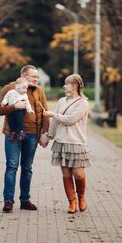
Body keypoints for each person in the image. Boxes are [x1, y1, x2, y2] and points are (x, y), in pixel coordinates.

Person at [0, 65, 49, 212]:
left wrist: (45, 133)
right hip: (13, 134)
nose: (36, 79)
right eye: (34, 76)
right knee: (12, 166)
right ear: (24, 76)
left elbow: (46, 113)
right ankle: (8, 202)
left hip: (32, 135)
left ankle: (25, 200)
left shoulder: (39, 91)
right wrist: (14, 106)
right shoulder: (9, 88)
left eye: (37, 77)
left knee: (27, 168)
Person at [43, 74, 90, 214]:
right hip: (61, 142)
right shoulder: (61, 101)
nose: (64, 86)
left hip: (76, 143)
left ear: (75, 86)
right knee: (66, 174)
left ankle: (81, 198)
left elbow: (71, 119)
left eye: (67, 84)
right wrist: (48, 136)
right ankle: (72, 202)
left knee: (78, 174)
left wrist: (53, 114)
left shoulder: (83, 103)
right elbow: (55, 122)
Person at [1, 77, 34, 141]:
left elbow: (27, 103)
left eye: (26, 88)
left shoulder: (24, 95)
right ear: (18, 87)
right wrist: (4, 102)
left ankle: (21, 132)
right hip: (11, 110)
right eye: (24, 88)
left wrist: (29, 110)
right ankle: (13, 132)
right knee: (11, 121)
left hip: (20, 111)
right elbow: (6, 98)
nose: (25, 90)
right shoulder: (11, 92)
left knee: (19, 121)